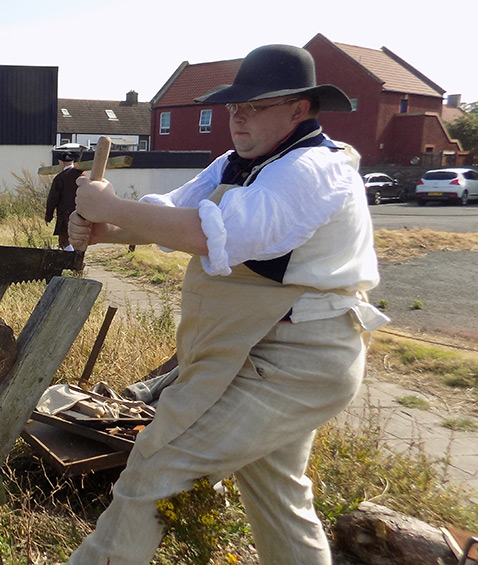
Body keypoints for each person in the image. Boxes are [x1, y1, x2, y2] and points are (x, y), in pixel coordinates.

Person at [64, 44, 389, 564]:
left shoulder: (313, 168)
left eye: (255, 106)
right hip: (259, 349)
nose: (238, 117)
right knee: (279, 496)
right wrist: (105, 228)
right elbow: (174, 212)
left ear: (299, 108)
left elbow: (222, 231)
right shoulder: (237, 164)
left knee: (157, 465)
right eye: (235, 106)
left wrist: (111, 206)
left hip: (298, 358)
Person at [45, 148, 82, 250]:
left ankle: (71, 261)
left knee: (64, 242)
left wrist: (48, 216)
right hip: (83, 214)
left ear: (61, 162)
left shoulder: (60, 178)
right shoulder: (84, 175)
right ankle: (77, 260)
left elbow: (52, 199)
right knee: (80, 241)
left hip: (66, 215)